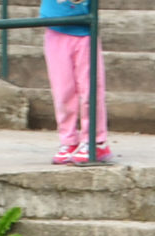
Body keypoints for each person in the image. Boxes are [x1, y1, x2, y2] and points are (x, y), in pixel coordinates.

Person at [40, 0, 111, 166]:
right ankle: (69, 139)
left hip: (85, 32)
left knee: (90, 89)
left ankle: (96, 141)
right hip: (55, 29)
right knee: (62, 91)